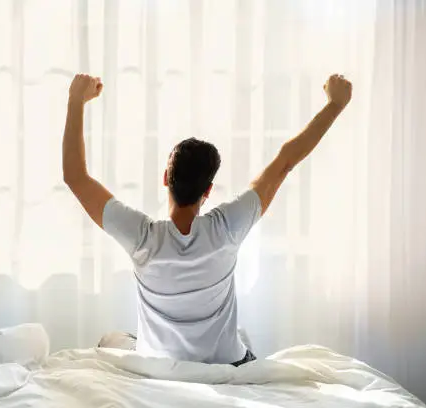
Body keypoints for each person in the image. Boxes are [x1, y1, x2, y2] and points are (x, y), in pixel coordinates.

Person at [62, 73, 352, 366]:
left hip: (160, 365)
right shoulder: (226, 227)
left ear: (165, 178)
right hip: (226, 363)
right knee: (241, 336)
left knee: (109, 341)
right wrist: (335, 105)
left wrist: (76, 100)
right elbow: (285, 162)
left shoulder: (142, 237)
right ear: (208, 190)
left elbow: (75, 177)